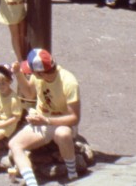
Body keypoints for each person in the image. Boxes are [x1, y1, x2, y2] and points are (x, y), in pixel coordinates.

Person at [9, 49, 82, 186]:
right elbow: (30, 94)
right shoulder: (38, 77)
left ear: (41, 72)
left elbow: (74, 118)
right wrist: (18, 74)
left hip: (61, 122)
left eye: (31, 71)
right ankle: (32, 184)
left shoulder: (69, 82)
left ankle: (72, 175)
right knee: (14, 144)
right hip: (42, 122)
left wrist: (47, 121)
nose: (30, 74)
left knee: (63, 134)